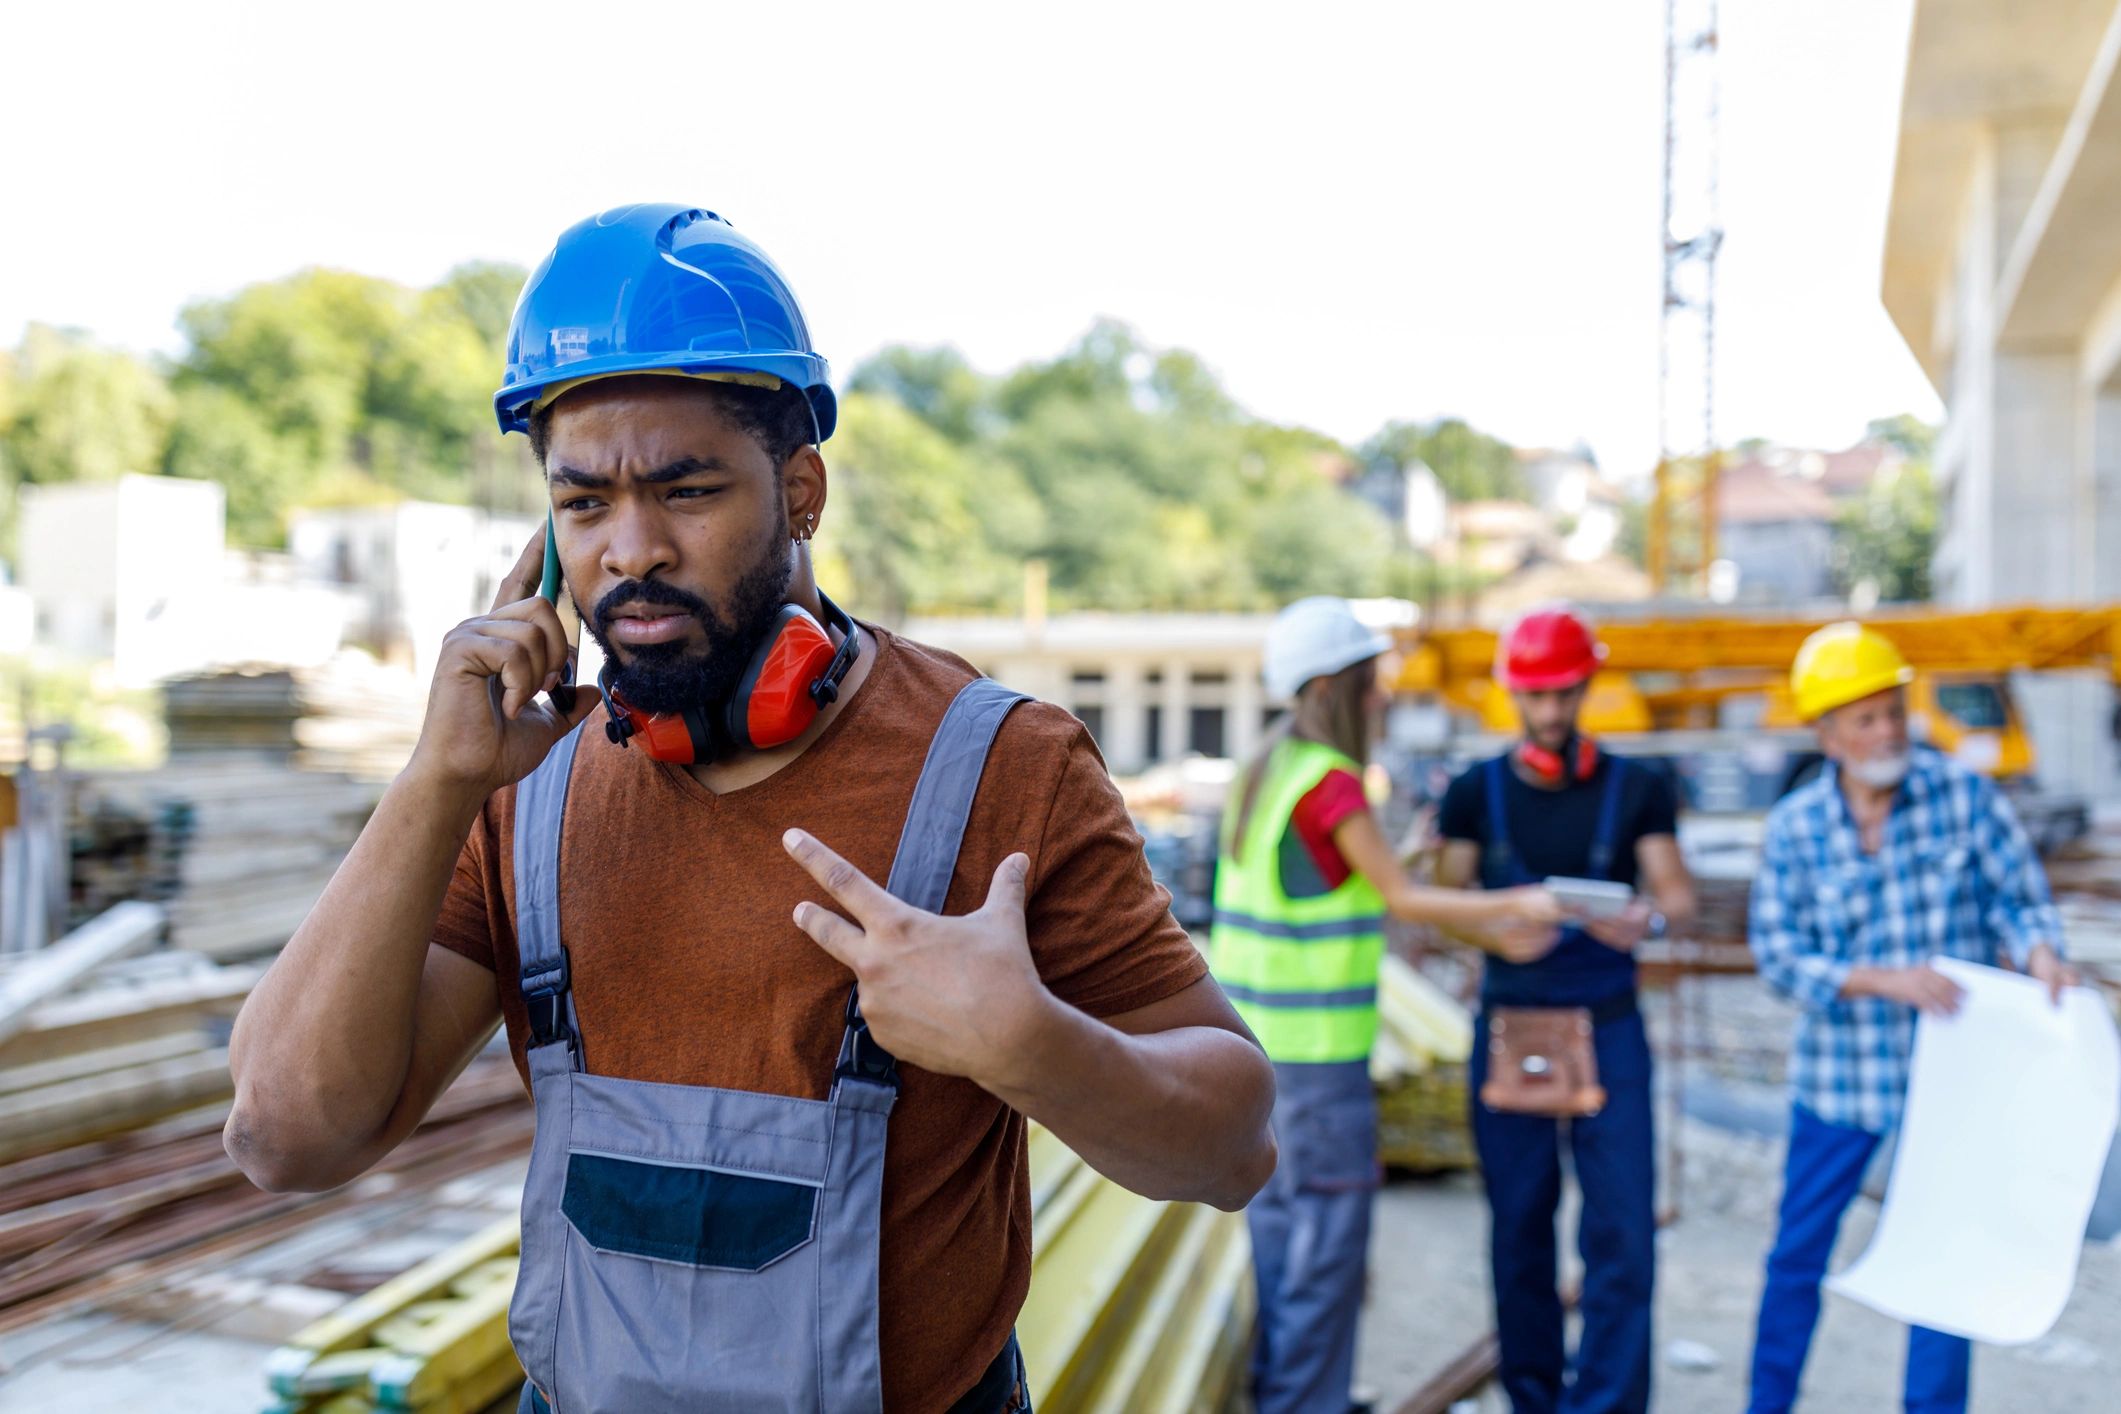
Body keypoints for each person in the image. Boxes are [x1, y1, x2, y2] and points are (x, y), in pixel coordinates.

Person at [222, 204, 1278, 1414]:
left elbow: (1235, 1146)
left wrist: (1030, 1044)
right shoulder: (519, 784)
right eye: (583, 505)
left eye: (685, 490)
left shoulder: (999, 766)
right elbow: (285, 1138)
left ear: (803, 488)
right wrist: (434, 782)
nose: (630, 549)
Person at [1212, 596, 1566, 1414]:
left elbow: (1326, 880)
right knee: (1329, 1244)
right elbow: (1405, 899)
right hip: (1319, 1060)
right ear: (1335, 686)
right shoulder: (1333, 784)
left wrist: (1398, 858)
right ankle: (1308, 1404)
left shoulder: (1267, 767)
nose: (1382, 698)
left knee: (1278, 1235)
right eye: (1372, 682)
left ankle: (1281, 1393)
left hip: (1254, 1048)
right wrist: (1529, 904)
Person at [1746, 621, 2078, 1414]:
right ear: (1826, 735)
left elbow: (2020, 899)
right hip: (1840, 1085)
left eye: (1892, 710)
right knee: (1797, 1259)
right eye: (1863, 717)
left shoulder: (1963, 798)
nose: (1887, 729)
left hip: (1950, 1086)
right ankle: (1767, 1404)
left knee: (1944, 1266)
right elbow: (1778, 954)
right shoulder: (1794, 829)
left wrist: (2039, 953)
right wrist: (1879, 980)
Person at [1434, 604, 1697, 1414]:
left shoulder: (1637, 786)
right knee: (1518, 1228)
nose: (1551, 714)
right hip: (1512, 1027)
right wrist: (1496, 932)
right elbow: (1441, 899)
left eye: (1564, 695)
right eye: (1536, 698)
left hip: (1608, 1027)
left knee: (1619, 1233)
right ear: (1515, 695)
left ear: (1586, 686)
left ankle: (1610, 1402)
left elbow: (1677, 897)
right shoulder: (1473, 792)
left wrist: (1642, 919)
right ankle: (1534, 1397)